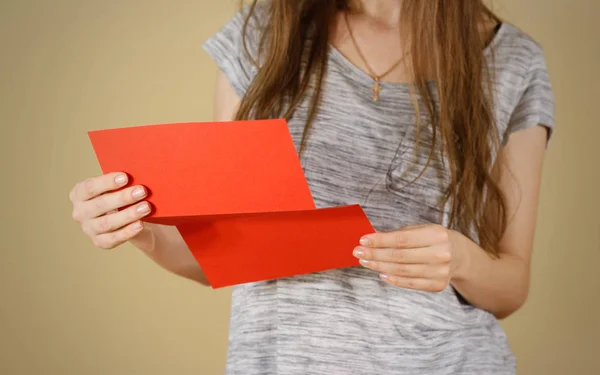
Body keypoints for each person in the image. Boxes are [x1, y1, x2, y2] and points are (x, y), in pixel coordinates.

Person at [69, 0, 555, 373]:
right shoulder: (266, 33)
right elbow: (221, 253)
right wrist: (141, 230)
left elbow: (511, 286)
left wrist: (461, 257)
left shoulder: (511, 61)